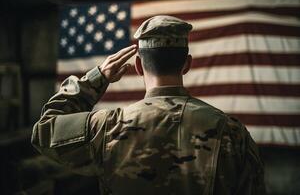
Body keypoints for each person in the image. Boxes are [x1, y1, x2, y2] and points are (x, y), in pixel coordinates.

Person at [32, 15, 265, 195]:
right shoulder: (231, 131)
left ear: (138, 66)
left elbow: (44, 130)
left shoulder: (106, 127)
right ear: (186, 65)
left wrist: (96, 78)